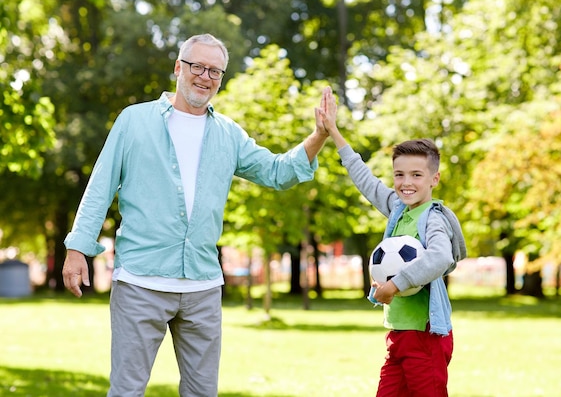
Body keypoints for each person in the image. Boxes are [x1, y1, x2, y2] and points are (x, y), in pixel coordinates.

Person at [62, 33, 331, 397]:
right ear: (178, 68)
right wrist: (78, 248)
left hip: (202, 287)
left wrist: (318, 136)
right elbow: (100, 187)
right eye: (197, 67)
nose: (205, 77)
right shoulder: (134, 121)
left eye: (215, 72)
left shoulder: (228, 134)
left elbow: (277, 172)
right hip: (141, 282)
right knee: (126, 391)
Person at [316, 88, 466, 396]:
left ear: (433, 179)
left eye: (416, 175)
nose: (406, 183)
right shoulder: (398, 210)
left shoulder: (433, 218)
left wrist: (394, 285)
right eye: (399, 175)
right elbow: (366, 180)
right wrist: (334, 133)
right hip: (398, 334)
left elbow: (439, 258)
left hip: (425, 337)